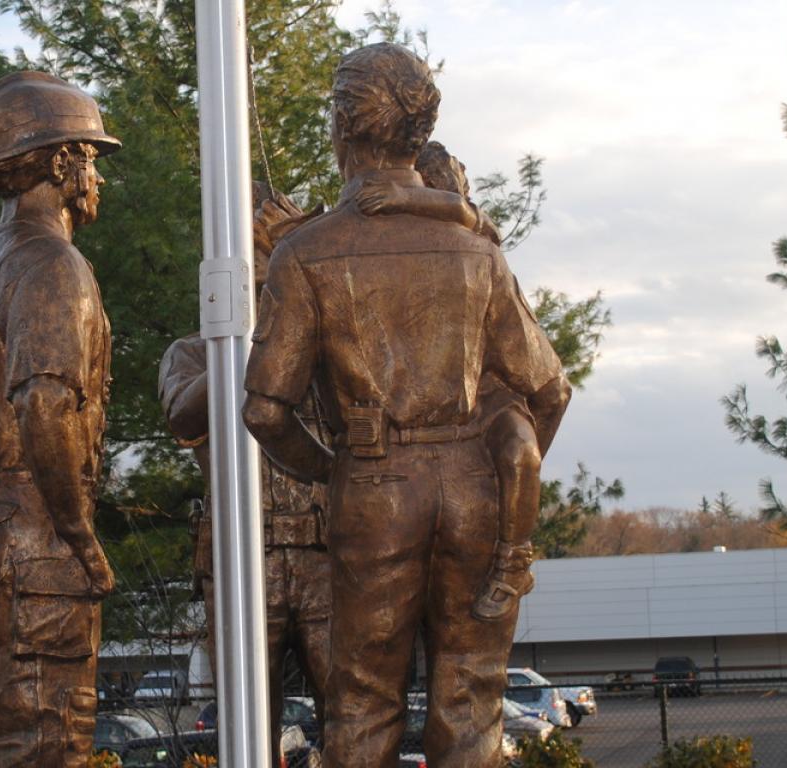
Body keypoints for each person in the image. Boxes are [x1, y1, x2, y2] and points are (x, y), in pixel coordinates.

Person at [243, 43, 569, 768]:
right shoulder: (475, 250)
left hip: (374, 484)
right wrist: (500, 467)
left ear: (343, 127)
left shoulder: (305, 253)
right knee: (470, 696)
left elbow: (266, 410)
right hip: (476, 488)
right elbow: (549, 388)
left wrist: (337, 474)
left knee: (362, 701)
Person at [0, 70, 119, 767]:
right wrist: (72, 530)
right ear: (62, 161)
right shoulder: (55, 266)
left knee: (8, 738)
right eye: (91, 157)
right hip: (40, 542)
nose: (97, 176)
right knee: (50, 741)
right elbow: (44, 406)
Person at [159, 182, 330, 764]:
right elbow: (184, 416)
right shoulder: (194, 353)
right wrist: (239, 331)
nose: (261, 275)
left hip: (323, 553)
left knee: (357, 706)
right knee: (248, 720)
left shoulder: (323, 340)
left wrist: (307, 287)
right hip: (237, 558)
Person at [357, 141, 544, 620]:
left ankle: (515, 556)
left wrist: (407, 197)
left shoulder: (473, 236)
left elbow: (550, 389)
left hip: (494, 393)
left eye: (451, 183)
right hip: (445, 409)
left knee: (523, 454)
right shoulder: (413, 250)